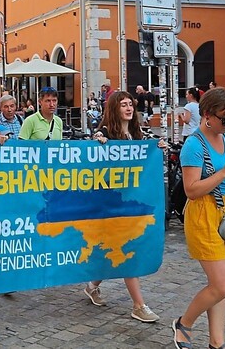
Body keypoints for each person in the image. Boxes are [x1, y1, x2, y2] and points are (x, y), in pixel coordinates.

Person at [173, 87, 225, 349]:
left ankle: (217, 342)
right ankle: (183, 323)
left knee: (224, 286)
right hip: (204, 213)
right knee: (220, 285)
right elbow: (192, 190)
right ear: (207, 115)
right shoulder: (194, 144)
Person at [84, 91, 161, 322]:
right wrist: (99, 143)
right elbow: (92, 150)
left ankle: (92, 285)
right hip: (110, 202)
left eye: (130, 104)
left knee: (114, 249)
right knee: (125, 251)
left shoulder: (138, 134)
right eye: (123, 105)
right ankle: (138, 304)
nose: (128, 108)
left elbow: (150, 151)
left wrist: (159, 148)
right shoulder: (106, 132)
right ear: (114, 109)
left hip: (131, 202)